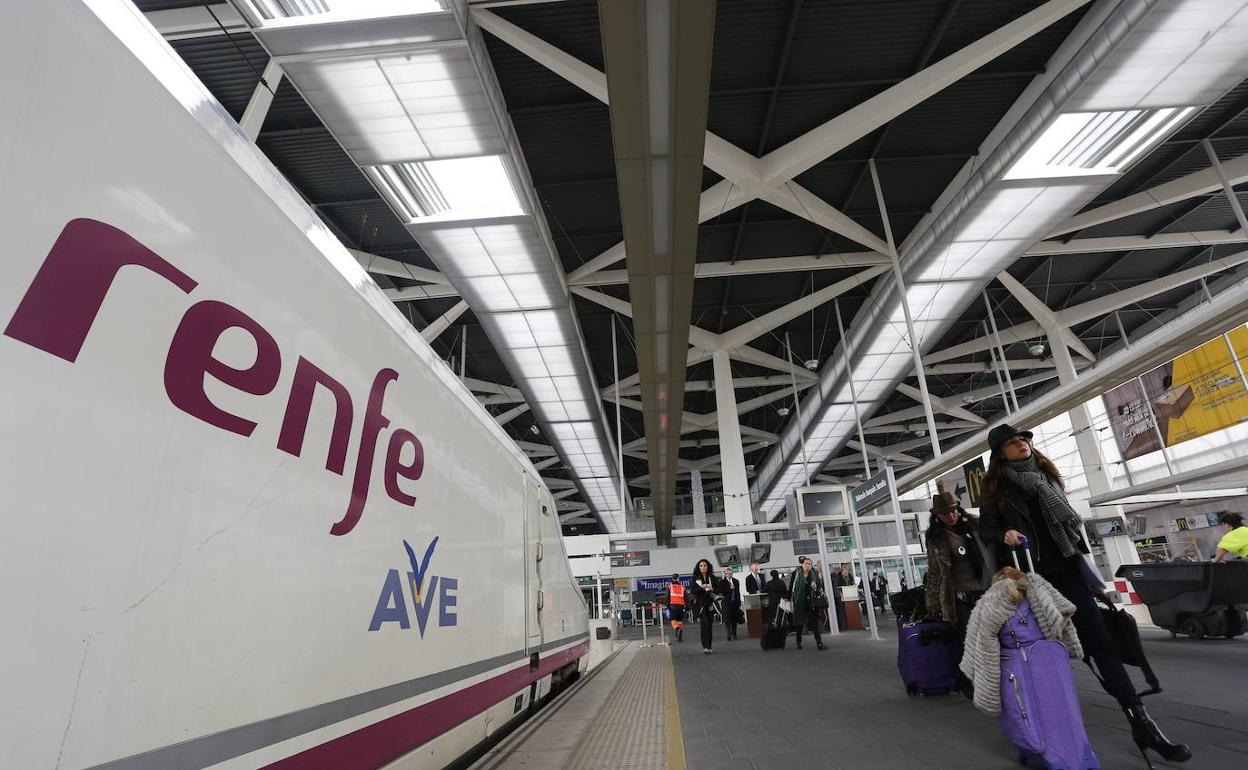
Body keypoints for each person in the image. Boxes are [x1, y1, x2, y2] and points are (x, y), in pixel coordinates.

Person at [979, 423, 1191, 765]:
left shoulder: (1047, 479)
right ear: (1000, 453)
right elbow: (985, 528)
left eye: (1024, 438)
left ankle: (1142, 723)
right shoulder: (997, 490)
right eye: (1013, 442)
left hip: (1068, 572)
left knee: (1100, 644)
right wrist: (1005, 532)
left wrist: (1090, 577)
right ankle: (1033, 737)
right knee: (1037, 657)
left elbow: (1072, 536)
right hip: (1031, 583)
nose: (1022, 444)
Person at [924, 489, 984, 699]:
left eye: (954, 511)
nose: (952, 516)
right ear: (937, 516)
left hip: (986, 591)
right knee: (968, 640)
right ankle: (968, 681)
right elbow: (934, 572)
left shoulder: (975, 525)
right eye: (946, 513)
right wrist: (932, 604)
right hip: (959, 596)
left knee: (990, 636)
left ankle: (989, 679)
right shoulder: (936, 539)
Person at [788, 557, 828, 650]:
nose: (807, 565)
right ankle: (799, 642)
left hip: (812, 602)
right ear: (802, 564)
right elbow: (791, 586)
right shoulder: (796, 573)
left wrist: (815, 585)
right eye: (806, 563)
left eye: (809, 564)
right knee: (799, 623)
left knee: (814, 623)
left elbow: (819, 585)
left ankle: (819, 643)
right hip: (800, 602)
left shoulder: (814, 573)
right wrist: (787, 597)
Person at [689, 559, 718, 654]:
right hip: (700, 605)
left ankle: (709, 646)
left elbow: (717, 588)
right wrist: (702, 587)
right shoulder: (695, 578)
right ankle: (705, 646)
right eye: (701, 565)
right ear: (698, 567)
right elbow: (693, 590)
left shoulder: (712, 577)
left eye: (704, 565)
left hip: (710, 604)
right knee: (704, 624)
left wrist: (712, 588)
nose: (703, 567)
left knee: (710, 625)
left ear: (708, 566)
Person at [721, 567, 742, 640]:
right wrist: (730, 588)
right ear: (725, 574)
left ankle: (734, 633)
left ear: (732, 574)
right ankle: (728, 634)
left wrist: (739, 603)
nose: (729, 575)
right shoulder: (722, 582)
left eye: (731, 574)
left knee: (734, 620)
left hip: (735, 603)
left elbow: (738, 592)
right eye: (728, 574)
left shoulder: (736, 581)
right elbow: (722, 592)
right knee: (727, 620)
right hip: (727, 603)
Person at [667, 574, 686, 642]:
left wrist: (667, 606)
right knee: (680, 620)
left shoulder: (670, 587)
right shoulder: (683, 587)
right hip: (681, 606)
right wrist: (688, 607)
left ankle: (677, 629)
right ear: (678, 579)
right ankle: (679, 636)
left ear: (672, 579)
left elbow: (667, 597)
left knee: (672, 619)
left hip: (673, 606)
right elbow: (686, 598)